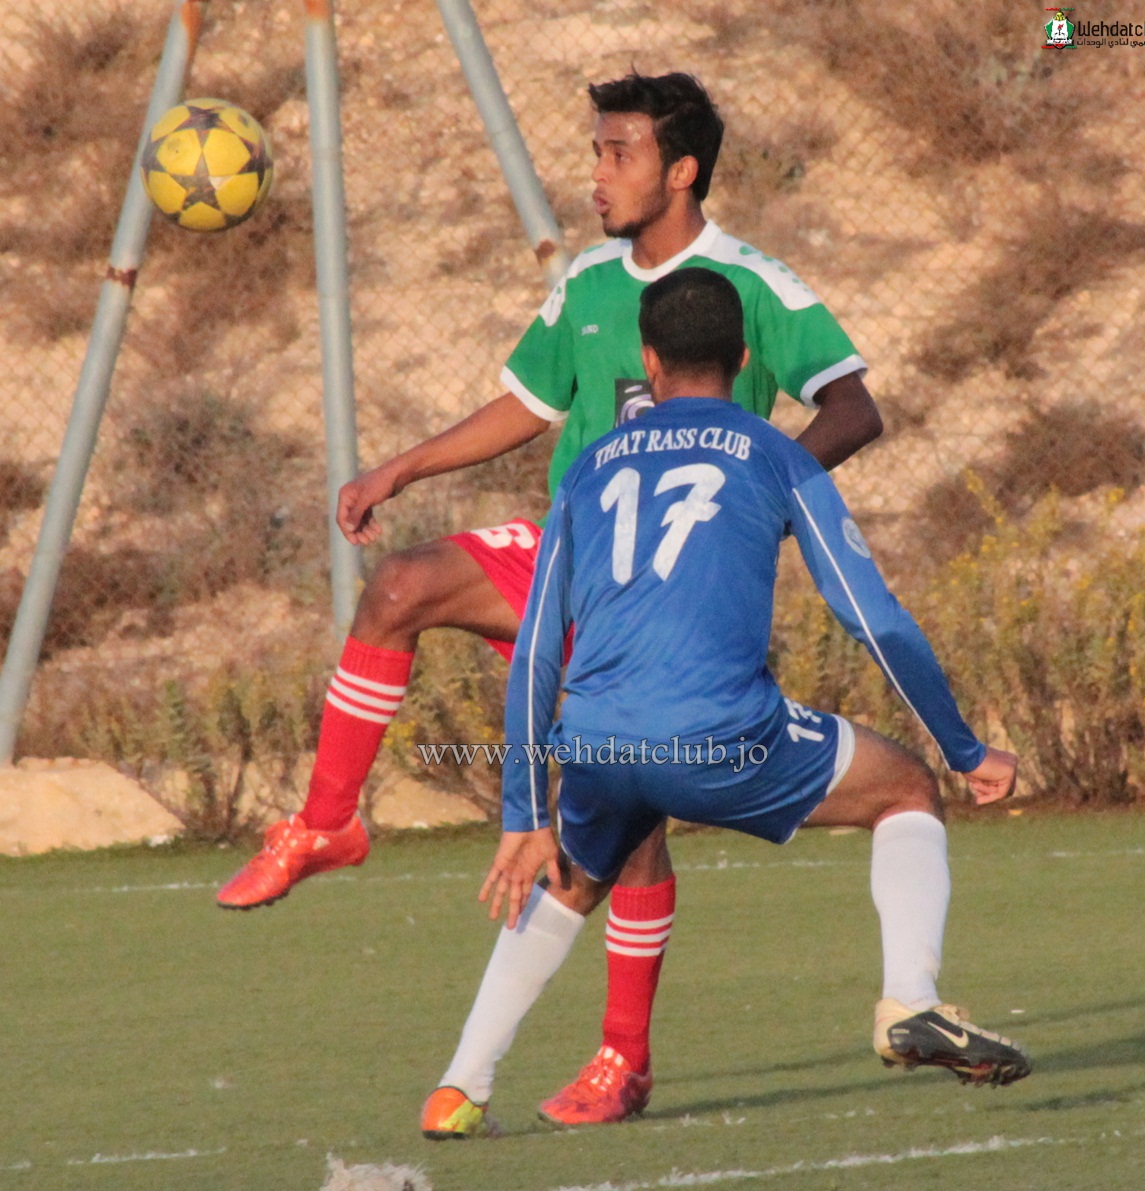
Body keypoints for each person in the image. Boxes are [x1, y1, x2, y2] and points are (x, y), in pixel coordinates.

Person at [216, 72, 883, 1124]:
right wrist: (400, 468)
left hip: (656, 605)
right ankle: (326, 824)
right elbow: (528, 405)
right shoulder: (589, 282)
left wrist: (765, 492)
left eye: (618, 153)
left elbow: (853, 406)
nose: (597, 175)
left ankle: (624, 1059)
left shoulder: (755, 287)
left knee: (630, 819)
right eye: (595, 152)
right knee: (401, 585)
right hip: (566, 558)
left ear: (681, 169)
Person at [420, 268, 1029, 1139]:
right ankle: (909, 1000)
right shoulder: (774, 452)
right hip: (721, 736)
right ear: (744, 359)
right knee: (905, 788)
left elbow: (539, 653)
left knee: (571, 880)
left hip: (597, 738)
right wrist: (965, 749)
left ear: (648, 360)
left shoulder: (587, 468)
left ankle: (459, 1085)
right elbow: (871, 616)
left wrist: (524, 809)